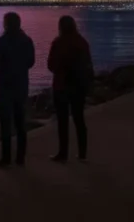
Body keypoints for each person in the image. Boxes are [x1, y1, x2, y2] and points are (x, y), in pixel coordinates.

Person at [0, 12, 35, 168]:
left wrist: (5, 69)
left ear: (6, 24)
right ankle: (21, 157)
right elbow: (31, 62)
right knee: (20, 123)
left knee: (6, 123)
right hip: (21, 85)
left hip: (4, 87)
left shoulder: (1, 41)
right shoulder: (27, 41)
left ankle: (6, 157)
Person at [47, 16, 93, 162]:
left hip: (61, 85)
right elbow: (88, 63)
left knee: (62, 121)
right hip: (79, 86)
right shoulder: (82, 42)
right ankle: (82, 152)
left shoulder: (58, 42)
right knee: (79, 119)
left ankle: (63, 153)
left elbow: (51, 65)